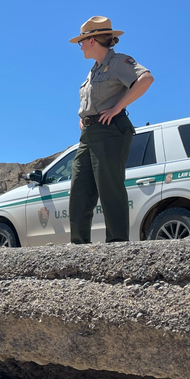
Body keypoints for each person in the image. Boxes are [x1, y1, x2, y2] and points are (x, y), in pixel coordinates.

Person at [67, 16, 153, 243]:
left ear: (93, 40)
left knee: (109, 189)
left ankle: (117, 246)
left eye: (82, 42)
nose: (81, 46)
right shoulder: (93, 70)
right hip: (88, 134)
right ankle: (79, 247)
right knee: (79, 190)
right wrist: (85, 116)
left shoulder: (118, 62)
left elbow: (145, 79)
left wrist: (117, 107)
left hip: (110, 131)